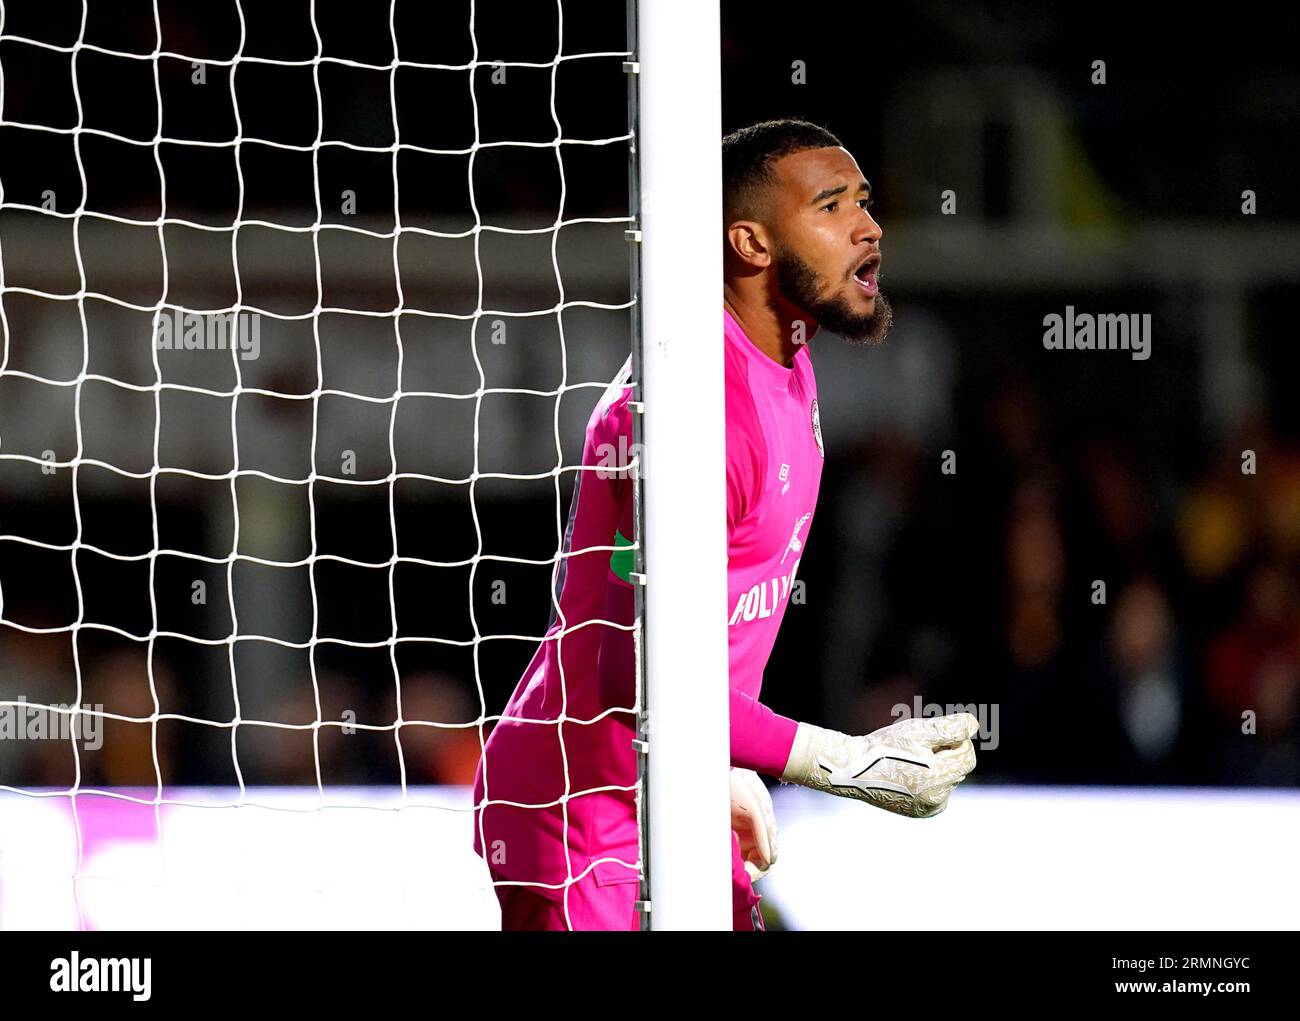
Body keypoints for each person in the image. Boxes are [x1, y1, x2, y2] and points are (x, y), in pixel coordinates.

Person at [472, 119, 979, 931]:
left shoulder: (787, 356)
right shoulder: (691, 409)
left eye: (866, 202)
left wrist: (709, 763)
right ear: (749, 242)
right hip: (582, 819)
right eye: (831, 205)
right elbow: (630, 669)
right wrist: (836, 758)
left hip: (664, 784)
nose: (869, 226)